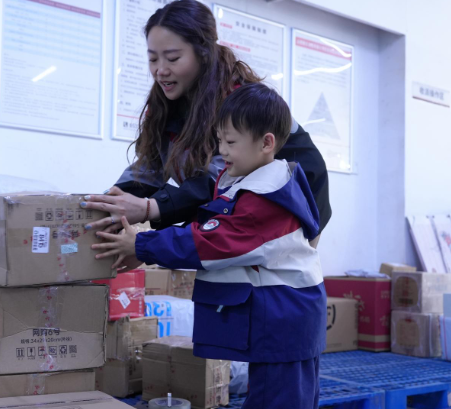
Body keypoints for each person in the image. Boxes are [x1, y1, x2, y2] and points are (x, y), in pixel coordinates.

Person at [92, 83, 327, 409]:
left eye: (231, 142)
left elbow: (212, 241)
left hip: (283, 324)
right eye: (219, 141)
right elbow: (207, 228)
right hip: (281, 321)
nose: (222, 151)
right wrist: (143, 245)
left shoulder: (266, 198)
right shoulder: (252, 184)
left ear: (266, 143)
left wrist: (142, 244)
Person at [81, 0, 331, 268]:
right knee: (218, 271)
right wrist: (110, 201)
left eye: (173, 58)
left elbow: (219, 177)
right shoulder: (167, 101)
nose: (160, 70)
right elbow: (150, 164)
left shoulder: (238, 101)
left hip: (292, 196)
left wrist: (148, 213)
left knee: (258, 274)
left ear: (203, 52)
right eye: (152, 59)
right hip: (233, 195)